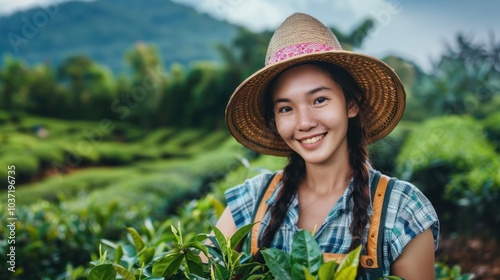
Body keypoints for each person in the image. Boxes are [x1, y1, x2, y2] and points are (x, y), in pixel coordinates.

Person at [217, 12, 439, 279]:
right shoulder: (253, 200)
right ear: (275, 120)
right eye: (286, 108)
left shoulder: (402, 209)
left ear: (352, 104)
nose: (305, 122)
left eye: (319, 100)